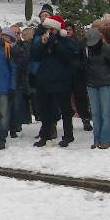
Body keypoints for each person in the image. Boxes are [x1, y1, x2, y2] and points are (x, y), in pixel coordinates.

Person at [30, 15, 77, 147]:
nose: (48, 31)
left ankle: (68, 136)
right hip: (44, 80)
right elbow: (34, 55)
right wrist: (43, 44)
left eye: (51, 28)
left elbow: (67, 57)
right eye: (46, 28)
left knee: (65, 110)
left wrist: (55, 42)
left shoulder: (65, 40)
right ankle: (45, 136)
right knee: (45, 110)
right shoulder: (41, 39)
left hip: (61, 80)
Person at [83, 24, 110, 149]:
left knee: (106, 113)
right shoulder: (86, 50)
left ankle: (105, 139)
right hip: (91, 84)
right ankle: (96, 138)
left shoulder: (109, 49)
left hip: (106, 84)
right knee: (95, 113)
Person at [62, 23, 92, 133]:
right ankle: (67, 121)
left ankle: (85, 119)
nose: (68, 31)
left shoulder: (79, 42)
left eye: (70, 29)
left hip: (78, 74)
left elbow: (84, 57)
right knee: (65, 98)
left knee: (81, 97)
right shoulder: (61, 42)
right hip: (65, 74)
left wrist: (82, 67)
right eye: (67, 29)